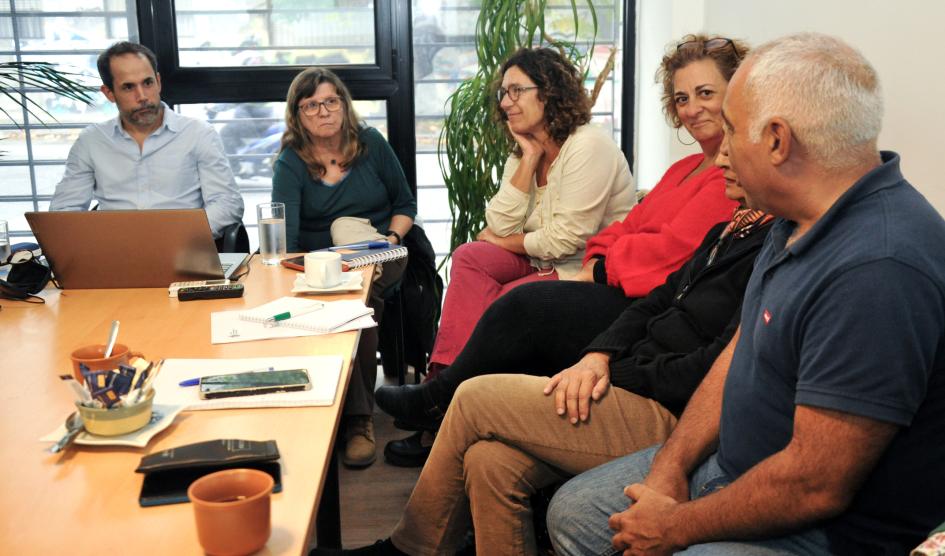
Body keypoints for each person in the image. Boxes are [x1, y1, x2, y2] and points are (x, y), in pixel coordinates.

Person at [547, 33, 945, 556]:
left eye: (731, 130)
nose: (720, 157)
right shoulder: (792, 220)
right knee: (574, 513)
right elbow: (740, 353)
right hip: (733, 467)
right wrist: (670, 466)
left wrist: (677, 526)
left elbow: (815, 485)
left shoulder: (878, 268)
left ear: (777, 141)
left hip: (821, 532)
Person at [314, 148, 773, 556]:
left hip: (670, 412)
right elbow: (654, 303)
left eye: (734, 139)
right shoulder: (728, 230)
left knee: (473, 396)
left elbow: (711, 368)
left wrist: (618, 371)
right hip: (629, 375)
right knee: (488, 461)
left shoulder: (771, 254)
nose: (721, 156)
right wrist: (597, 356)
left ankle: (406, 549)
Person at [378, 34, 747, 464]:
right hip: (592, 271)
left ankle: (442, 403)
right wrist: (529, 159)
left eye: (705, 94)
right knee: (471, 257)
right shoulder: (684, 167)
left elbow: (669, 252)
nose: (691, 108)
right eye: (682, 98)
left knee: (522, 303)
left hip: (632, 295)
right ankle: (441, 390)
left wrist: (603, 265)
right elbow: (625, 227)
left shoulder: (730, 175)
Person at [427, 47, 636, 370]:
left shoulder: (588, 145)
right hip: (537, 260)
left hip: (580, 270)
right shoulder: (526, 150)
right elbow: (499, 222)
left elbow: (564, 240)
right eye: (504, 92)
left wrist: (500, 241)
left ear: (549, 92)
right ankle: (445, 372)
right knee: (469, 255)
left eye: (516, 90)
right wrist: (528, 158)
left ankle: (455, 382)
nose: (504, 102)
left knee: (500, 303)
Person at [271, 67, 416, 468]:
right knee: (357, 308)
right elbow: (287, 242)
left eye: (331, 101)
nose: (323, 112)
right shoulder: (291, 163)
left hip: (384, 253)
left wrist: (391, 239)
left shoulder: (370, 144)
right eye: (311, 105)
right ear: (297, 115)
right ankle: (352, 416)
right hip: (322, 270)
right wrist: (320, 273)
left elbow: (405, 204)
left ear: (344, 105)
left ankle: (354, 421)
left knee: (346, 234)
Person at [50, 42, 244, 239]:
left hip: (185, 247)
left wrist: (183, 237)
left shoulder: (198, 134)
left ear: (158, 82)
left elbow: (227, 202)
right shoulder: (91, 141)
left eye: (148, 83)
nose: (142, 96)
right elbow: (64, 212)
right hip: (115, 249)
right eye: (128, 87)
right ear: (109, 93)